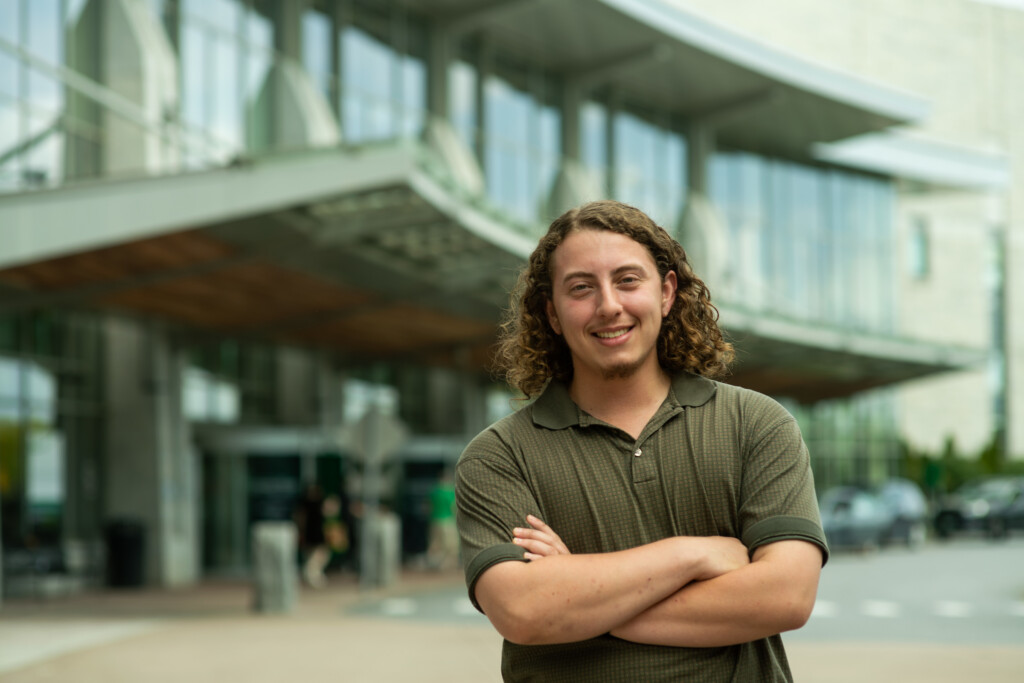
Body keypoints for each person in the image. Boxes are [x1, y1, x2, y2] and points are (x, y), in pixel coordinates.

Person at [455, 200, 828, 681]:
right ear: (551, 313)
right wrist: (691, 554)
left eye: (628, 280)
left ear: (667, 291)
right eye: (581, 288)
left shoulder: (755, 424)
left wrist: (578, 595)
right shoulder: (499, 457)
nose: (609, 305)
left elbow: (786, 597)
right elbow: (524, 612)